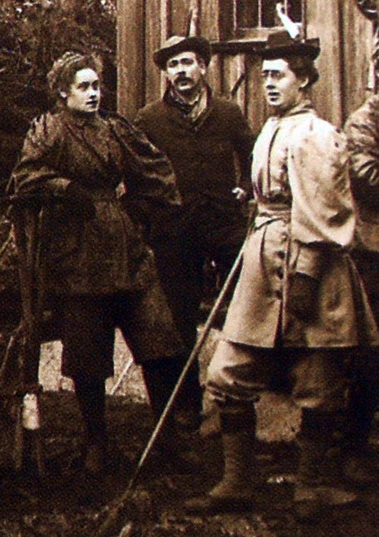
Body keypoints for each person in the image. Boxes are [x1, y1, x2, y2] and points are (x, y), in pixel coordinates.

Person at [184, 30, 379, 517]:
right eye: (265, 75)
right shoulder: (271, 128)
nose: (269, 84)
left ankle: (310, 487)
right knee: (229, 374)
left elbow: (326, 211)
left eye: (279, 76)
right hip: (264, 257)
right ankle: (236, 482)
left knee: (318, 380)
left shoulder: (315, 134)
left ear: (304, 79)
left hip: (309, 263)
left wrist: (309, 275)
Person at [9, 51, 189, 476]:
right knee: (87, 357)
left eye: (96, 86)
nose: (93, 94)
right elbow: (24, 177)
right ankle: (96, 443)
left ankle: (169, 439)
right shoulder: (48, 130)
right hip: (77, 254)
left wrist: (144, 209)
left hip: (126, 247)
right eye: (84, 87)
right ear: (62, 92)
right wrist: (63, 186)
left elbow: (157, 169)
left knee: (159, 343)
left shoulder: (114, 129)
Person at [134, 35, 254, 433]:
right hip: (175, 231)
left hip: (224, 224)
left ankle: (238, 400)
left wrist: (248, 189)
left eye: (187, 62)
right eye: (173, 65)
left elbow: (253, 156)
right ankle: (186, 404)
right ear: (166, 73)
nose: (181, 71)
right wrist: (152, 216)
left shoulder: (228, 113)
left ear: (203, 66)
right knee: (178, 318)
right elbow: (135, 175)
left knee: (247, 306)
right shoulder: (149, 119)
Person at [343, 95, 379, 482]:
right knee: (372, 355)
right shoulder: (365, 120)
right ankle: (353, 445)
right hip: (374, 251)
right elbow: (365, 177)